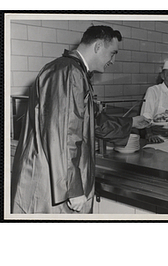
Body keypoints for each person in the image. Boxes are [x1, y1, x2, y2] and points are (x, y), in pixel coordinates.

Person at [11, 25, 150, 214]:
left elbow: (92, 121)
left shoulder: (71, 71)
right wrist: (73, 188)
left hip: (54, 179)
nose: (113, 60)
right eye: (112, 53)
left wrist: (132, 122)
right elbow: (63, 134)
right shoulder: (69, 73)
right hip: (50, 186)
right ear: (98, 46)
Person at [140, 59, 168, 143]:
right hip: (155, 138)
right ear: (163, 76)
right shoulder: (153, 91)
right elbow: (145, 117)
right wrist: (149, 135)